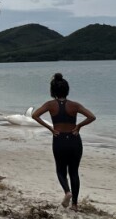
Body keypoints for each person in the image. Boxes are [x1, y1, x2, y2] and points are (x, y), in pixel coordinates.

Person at [30, 73, 96, 210]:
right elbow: (91, 117)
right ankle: (75, 205)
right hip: (74, 139)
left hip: (59, 138)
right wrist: (79, 126)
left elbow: (35, 115)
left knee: (61, 170)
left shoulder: (50, 105)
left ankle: (67, 192)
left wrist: (50, 128)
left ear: (53, 91)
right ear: (67, 90)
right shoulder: (75, 105)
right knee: (74, 172)